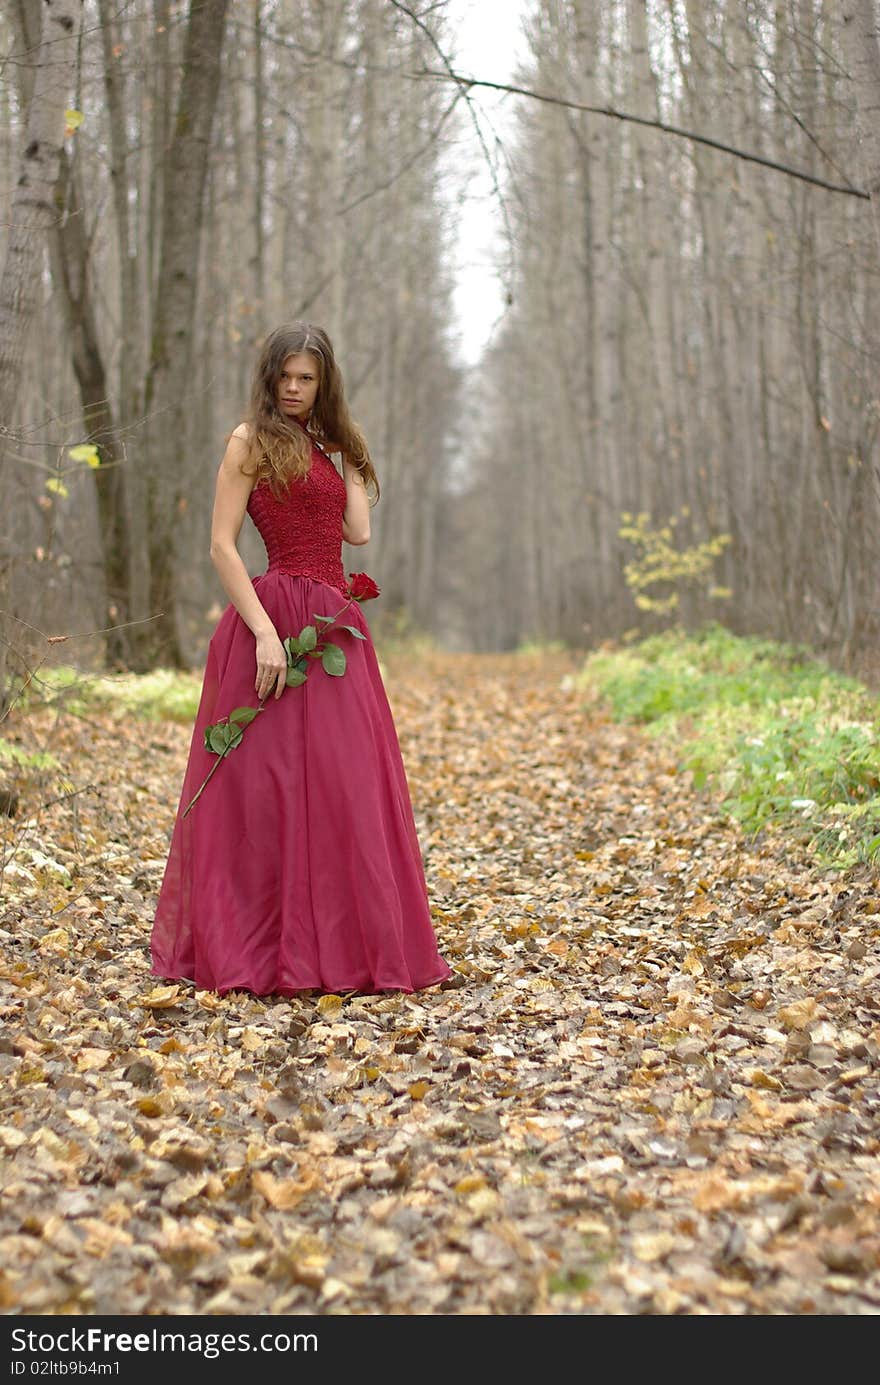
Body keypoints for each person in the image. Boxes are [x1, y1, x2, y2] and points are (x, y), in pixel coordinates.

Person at [150, 322, 452, 997]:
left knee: (344, 787)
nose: (293, 388)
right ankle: (260, 947)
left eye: (306, 378)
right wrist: (262, 633)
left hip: (335, 630)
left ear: (323, 383)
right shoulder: (248, 440)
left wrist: (345, 453)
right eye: (284, 376)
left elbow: (358, 532)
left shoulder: (320, 444)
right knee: (265, 791)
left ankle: (339, 946)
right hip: (274, 618)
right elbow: (221, 547)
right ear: (269, 377)